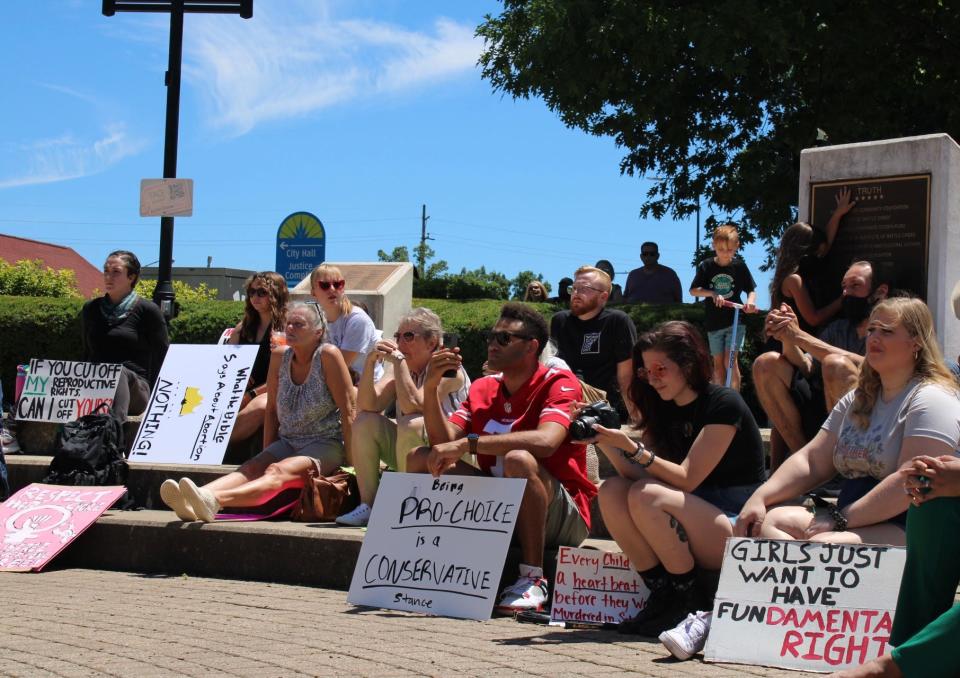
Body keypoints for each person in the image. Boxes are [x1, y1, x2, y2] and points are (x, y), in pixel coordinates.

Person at [407, 302, 596, 613]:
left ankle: (533, 578)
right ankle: (427, 562)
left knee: (519, 460)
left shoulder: (558, 382)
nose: (493, 345)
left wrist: (468, 446)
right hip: (498, 504)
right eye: (491, 337)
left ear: (532, 347)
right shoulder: (482, 387)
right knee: (419, 457)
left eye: (504, 339)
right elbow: (442, 446)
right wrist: (431, 389)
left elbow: (547, 441)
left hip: (561, 515)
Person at [736, 297, 960, 550]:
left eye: (886, 331)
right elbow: (811, 459)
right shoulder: (858, 397)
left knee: (825, 545)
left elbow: (910, 482)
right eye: (872, 329)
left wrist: (841, 519)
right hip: (850, 518)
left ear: (916, 342)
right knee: (770, 522)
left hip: (910, 524)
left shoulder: (933, 397)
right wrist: (760, 496)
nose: (874, 337)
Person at [588, 321, 765, 640]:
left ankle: (688, 599)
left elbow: (685, 478)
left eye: (661, 369)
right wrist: (605, 442)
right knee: (613, 489)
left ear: (688, 364)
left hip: (731, 523)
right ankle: (662, 593)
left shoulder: (723, 403)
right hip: (692, 515)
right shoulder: (663, 408)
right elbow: (638, 475)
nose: (652, 379)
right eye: (646, 371)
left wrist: (632, 448)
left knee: (647, 494)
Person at [160, 302, 356, 522]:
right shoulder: (280, 356)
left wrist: (352, 461)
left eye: (299, 324)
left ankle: (213, 498)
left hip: (325, 442)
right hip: (288, 439)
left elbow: (349, 411)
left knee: (276, 472)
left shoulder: (328, 355)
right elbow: (271, 410)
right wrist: (268, 452)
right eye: (289, 323)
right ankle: (192, 497)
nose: (290, 328)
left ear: (318, 332)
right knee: (252, 467)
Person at [335, 308, 470, 527]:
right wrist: (371, 362)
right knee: (364, 422)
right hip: (415, 452)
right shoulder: (401, 365)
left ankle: (403, 504)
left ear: (432, 342)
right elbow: (368, 405)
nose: (399, 343)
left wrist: (398, 362)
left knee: (412, 422)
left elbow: (414, 405)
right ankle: (369, 505)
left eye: (408, 336)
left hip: (453, 455)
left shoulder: (449, 368)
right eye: (398, 336)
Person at [754, 260, 891, 466]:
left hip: (871, 419)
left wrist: (800, 337)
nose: (846, 293)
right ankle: (809, 464)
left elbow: (874, 366)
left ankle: (844, 465)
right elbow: (807, 367)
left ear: (880, 292)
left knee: (836, 365)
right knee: (766, 363)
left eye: (855, 286)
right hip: (822, 415)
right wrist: (787, 338)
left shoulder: (892, 331)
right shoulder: (837, 329)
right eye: (844, 287)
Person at [81, 250, 169, 419]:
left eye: (116, 272)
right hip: (97, 384)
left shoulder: (148, 310)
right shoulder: (90, 309)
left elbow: (162, 356)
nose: (108, 277)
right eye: (106, 271)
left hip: (135, 389)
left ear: (132, 277)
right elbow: (87, 353)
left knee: (118, 373)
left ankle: (113, 434)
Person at [550, 265, 637, 421]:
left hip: (604, 408)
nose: (576, 293)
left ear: (603, 297)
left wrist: (637, 419)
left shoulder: (617, 321)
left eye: (584, 289)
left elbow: (626, 377)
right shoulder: (560, 321)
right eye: (574, 288)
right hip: (565, 404)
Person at [768, 187, 855, 336]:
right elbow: (813, 318)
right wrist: (844, 299)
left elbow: (825, 245)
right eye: (818, 253)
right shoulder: (793, 280)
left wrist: (837, 214)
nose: (822, 256)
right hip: (793, 350)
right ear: (806, 251)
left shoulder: (804, 268)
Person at [689, 225, 758, 391]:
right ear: (713, 246)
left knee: (730, 361)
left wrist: (750, 302)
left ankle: (734, 400)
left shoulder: (739, 267)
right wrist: (712, 293)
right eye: (721, 249)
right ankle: (719, 401)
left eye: (730, 249)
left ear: (737, 247)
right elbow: (693, 290)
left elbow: (751, 289)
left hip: (735, 321)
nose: (725, 253)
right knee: (718, 365)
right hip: (714, 323)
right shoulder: (706, 266)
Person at [227, 271, 289, 444]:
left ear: (276, 294)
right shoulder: (243, 327)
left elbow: (286, 374)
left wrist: (251, 394)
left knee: (259, 407)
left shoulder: (287, 328)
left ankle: (216, 444)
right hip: (241, 389)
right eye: (252, 292)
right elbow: (228, 363)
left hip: (275, 388)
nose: (256, 297)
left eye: (262, 292)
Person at [310, 264, 381, 384]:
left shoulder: (357, 320)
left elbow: (338, 368)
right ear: (313, 292)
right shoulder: (317, 320)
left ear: (343, 288)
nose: (332, 289)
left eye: (338, 284)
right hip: (335, 383)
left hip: (363, 387)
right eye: (325, 285)